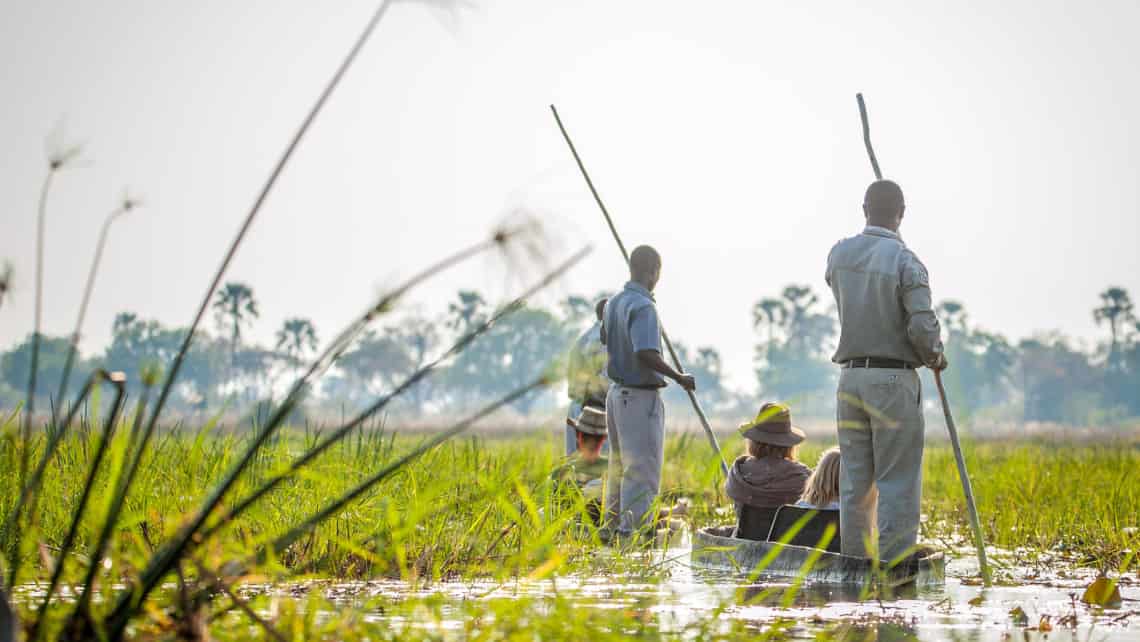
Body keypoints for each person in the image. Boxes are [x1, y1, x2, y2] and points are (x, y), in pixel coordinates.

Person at [825, 179, 948, 561]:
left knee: (855, 482)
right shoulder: (906, 262)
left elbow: (836, 284)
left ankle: (855, 566)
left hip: (850, 378)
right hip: (893, 379)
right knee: (897, 481)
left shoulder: (839, 254)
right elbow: (921, 326)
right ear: (902, 214)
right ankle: (895, 568)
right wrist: (936, 356)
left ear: (864, 209)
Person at [601, 245, 695, 540]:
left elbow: (605, 336)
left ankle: (612, 529)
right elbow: (645, 354)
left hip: (616, 396)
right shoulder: (643, 307)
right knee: (641, 470)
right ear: (653, 271)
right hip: (639, 398)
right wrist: (678, 376)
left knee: (619, 467)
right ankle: (635, 534)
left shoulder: (614, 302)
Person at [724, 402, 811, 539]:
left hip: (744, 539)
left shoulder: (739, 471)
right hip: (784, 544)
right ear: (788, 445)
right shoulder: (802, 476)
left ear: (754, 441)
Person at [564, 298, 610, 456]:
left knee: (574, 460)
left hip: (577, 406)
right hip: (596, 410)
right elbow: (606, 381)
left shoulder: (582, 339)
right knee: (598, 463)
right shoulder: (605, 341)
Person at [551, 405, 609, 524]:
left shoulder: (561, 472)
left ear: (578, 435)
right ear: (603, 439)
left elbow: (556, 511)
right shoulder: (615, 470)